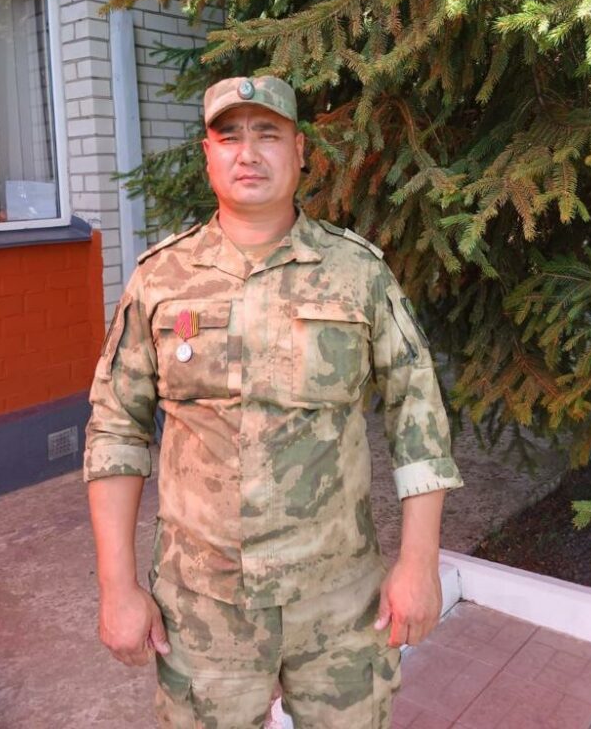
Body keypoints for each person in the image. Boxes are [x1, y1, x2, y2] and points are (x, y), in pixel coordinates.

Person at [84, 75, 463, 729]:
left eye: (268, 134)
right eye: (229, 136)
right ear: (207, 155)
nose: (248, 153)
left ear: (300, 151)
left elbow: (417, 417)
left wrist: (419, 563)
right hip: (203, 611)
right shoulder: (159, 279)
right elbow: (116, 431)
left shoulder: (358, 273)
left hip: (340, 603)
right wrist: (117, 587)